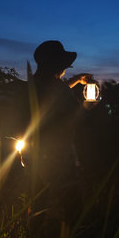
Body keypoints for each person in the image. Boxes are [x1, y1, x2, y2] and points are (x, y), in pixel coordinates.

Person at [29, 40, 91, 226]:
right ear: (56, 65)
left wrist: (75, 80)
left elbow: (54, 91)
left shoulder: (32, 85)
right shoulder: (59, 89)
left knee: (38, 195)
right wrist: (89, 106)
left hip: (34, 152)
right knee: (71, 198)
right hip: (59, 154)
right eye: (64, 65)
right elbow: (77, 116)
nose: (65, 69)